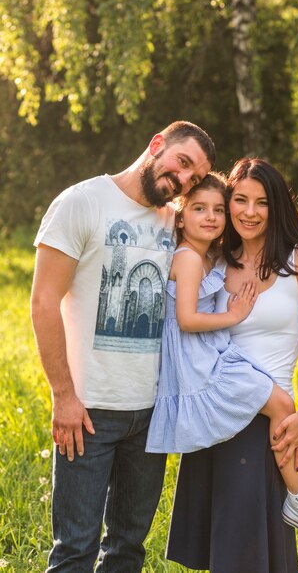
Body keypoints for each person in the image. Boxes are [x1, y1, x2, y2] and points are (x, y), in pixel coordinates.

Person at [30, 120, 215, 572]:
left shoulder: (175, 221)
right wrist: (64, 396)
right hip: (88, 412)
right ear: (156, 145)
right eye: (182, 163)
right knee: (74, 550)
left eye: (192, 178)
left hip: (152, 414)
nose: (182, 181)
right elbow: (42, 303)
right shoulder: (82, 202)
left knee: (128, 550)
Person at [146, 169, 298, 545]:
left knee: (256, 548)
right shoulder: (217, 259)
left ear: (278, 206)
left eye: (262, 202)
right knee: (226, 547)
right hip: (215, 404)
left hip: (271, 418)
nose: (249, 211)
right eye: (240, 200)